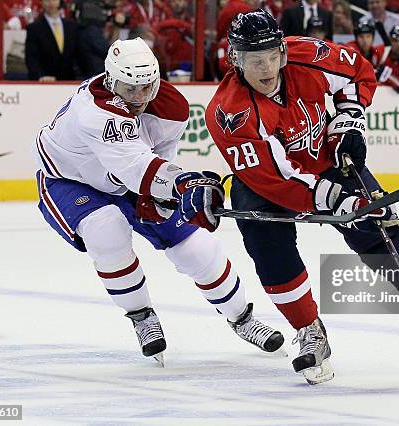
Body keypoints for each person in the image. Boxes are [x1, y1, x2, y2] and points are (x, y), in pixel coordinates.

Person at [205, 9, 399, 385]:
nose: (266, 68)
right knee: (268, 247)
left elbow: (357, 71)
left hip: (329, 160)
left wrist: (347, 121)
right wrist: (336, 200)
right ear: (235, 60)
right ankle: (308, 330)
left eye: (273, 56)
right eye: (254, 60)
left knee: (385, 239)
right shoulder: (228, 112)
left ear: (282, 50)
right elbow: (275, 178)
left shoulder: (308, 55)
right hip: (265, 182)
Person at [32, 37, 284, 365]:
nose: (138, 97)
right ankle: (141, 316)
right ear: (110, 81)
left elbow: (157, 159)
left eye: (146, 87)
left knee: (197, 248)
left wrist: (168, 195)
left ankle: (242, 318)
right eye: (128, 88)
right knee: (105, 230)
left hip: (130, 180)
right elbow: (134, 168)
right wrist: (183, 183)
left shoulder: (172, 107)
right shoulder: (94, 111)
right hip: (70, 179)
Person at [25, 0, 81, 81]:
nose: (51, 3)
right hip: (44, 82)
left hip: (70, 81)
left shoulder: (72, 26)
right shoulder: (34, 28)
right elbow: (31, 58)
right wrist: (40, 76)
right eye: (47, 0)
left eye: (54, 0)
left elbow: (78, 55)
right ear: (42, 2)